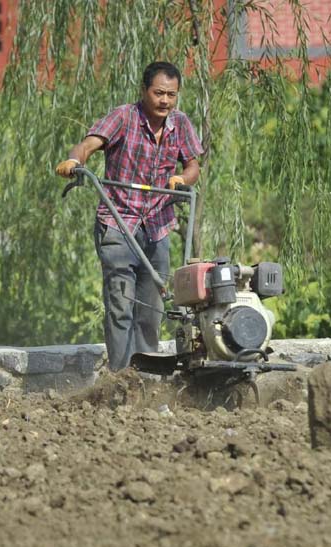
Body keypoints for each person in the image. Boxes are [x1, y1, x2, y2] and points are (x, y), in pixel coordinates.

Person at [56, 61, 203, 371]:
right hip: (118, 223)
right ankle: (121, 376)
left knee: (151, 309)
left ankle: (145, 376)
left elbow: (193, 166)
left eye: (171, 95)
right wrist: (73, 160)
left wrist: (182, 179)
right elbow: (88, 144)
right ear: (144, 91)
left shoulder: (181, 124)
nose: (165, 101)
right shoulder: (124, 117)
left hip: (157, 228)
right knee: (121, 305)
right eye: (159, 93)